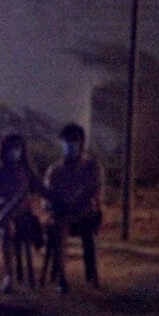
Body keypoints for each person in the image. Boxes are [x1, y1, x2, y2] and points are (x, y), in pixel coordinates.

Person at [0, 133, 42, 292]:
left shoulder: (27, 173)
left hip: (21, 219)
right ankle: (9, 276)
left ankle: (9, 276)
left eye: (17, 148)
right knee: (6, 226)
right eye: (10, 148)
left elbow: (40, 192)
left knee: (13, 209)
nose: (14, 152)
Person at [42, 123, 103, 293]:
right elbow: (46, 198)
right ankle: (62, 278)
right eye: (67, 141)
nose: (70, 145)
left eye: (74, 140)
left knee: (78, 228)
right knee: (60, 230)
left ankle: (90, 275)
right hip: (61, 216)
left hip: (84, 216)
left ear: (81, 143)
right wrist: (52, 208)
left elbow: (94, 195)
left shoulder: (91, 167)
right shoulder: (55, 170)